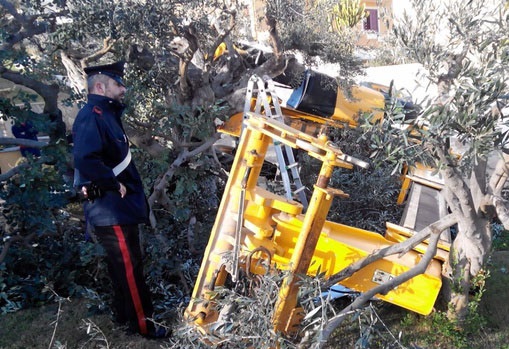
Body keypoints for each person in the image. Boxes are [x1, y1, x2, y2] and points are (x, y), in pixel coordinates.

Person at [72, 61, 168, 338]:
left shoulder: (105, 114)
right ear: (100, 86)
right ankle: (143, 326)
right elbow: (85, 158)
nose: (123, 88)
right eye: (118, 83)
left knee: (123, 266)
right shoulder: (93, 114)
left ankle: (126, 319)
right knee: (129, 268)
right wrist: (112, 183)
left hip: (115, 208)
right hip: (110, 207)